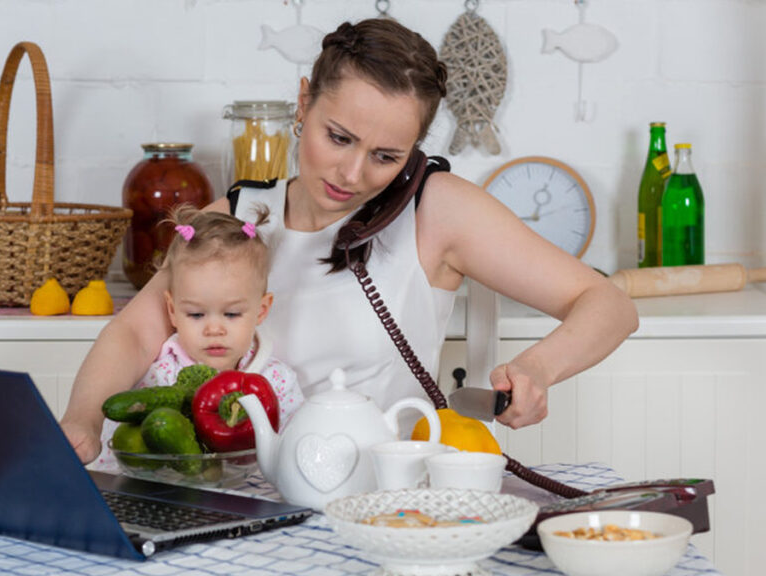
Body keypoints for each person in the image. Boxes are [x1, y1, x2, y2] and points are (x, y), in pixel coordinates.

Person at [61, 18, 638, 466]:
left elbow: (608, 305)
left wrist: (539, 366)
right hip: (245, 491)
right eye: (337, 137)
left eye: (386, 156)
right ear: (304, 103)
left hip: (379, 499)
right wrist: (83, 420)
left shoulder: (436, 209)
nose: (352, 174)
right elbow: (136, 329)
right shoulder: (239, 216)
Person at [92, 205, 304, 471]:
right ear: (172, 310)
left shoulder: (279, 381)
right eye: (195, 314)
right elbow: (116, 456)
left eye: (231, 314)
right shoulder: (158, 377)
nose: (213, 329)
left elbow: (296, 451)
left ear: (261, 310)